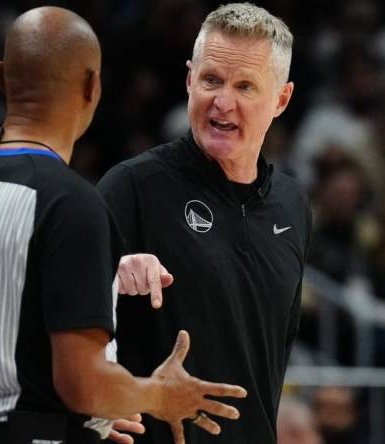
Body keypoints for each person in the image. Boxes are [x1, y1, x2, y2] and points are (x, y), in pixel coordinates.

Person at [0, 6, 246, 444]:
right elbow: (81, 383)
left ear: (1, 78)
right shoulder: (71, 204)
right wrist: (155, 396)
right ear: (93, 86)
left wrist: (52, 406)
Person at [97, 3, 311, 443]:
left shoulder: (292, 206)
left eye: (245, 86)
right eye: (211, 79)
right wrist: (97, 408)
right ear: (189, 78)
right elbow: (59, 322)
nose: (223, 102)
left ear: (281, 100)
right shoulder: (132, 188)